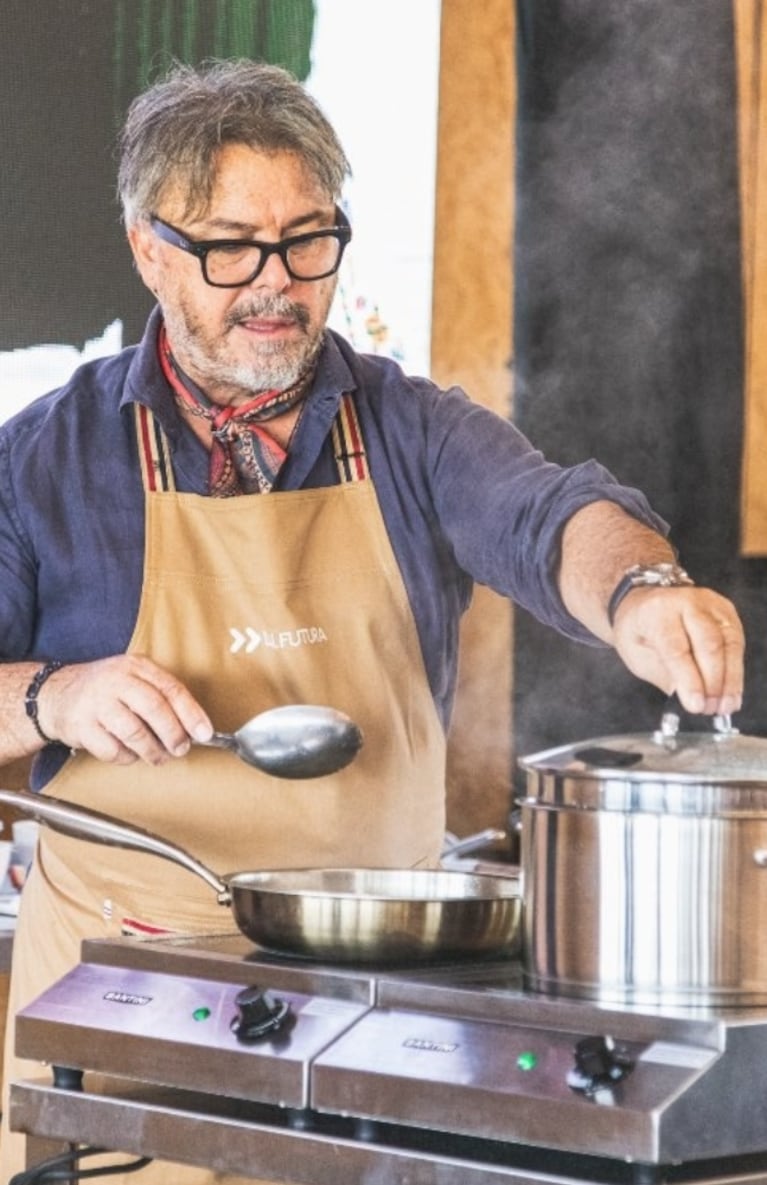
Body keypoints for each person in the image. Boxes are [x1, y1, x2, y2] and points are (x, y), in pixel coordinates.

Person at [0, 59, 743, 1184]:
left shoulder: (410, 428)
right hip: (118, 1013)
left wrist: (640, 589)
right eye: (230, 246)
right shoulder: (42, 461)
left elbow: (553, 518)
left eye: (307, 240)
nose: (277, 283)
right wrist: (59, 694)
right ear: (150, 250)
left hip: (372, 1020)